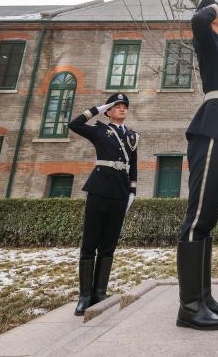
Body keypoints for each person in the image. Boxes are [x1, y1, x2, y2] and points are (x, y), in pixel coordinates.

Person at [176, 0, 218, 331]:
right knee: (198, 216)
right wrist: (216, 6)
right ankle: (189, 307)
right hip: (212, 125)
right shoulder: (207, 38)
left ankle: (203, 297)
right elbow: (198, 20)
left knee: (209, 218)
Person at [68, 92, 139, 316]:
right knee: (90, 244)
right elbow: (74, 124)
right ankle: (84, 296)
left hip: (120, 192)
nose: (122, 109)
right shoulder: (99, 130)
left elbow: (133, 166)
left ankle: (99, 291)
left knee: (109, 244)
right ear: (108, 111)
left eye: (124, 106)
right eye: (116, 106)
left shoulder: (132, 136)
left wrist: (132, 191)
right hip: (99, 190)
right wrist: (98, 108)